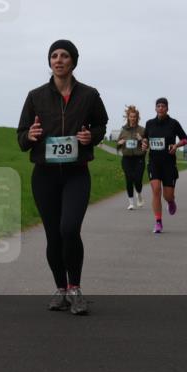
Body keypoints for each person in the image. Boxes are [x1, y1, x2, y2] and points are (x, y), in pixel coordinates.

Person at [17, 40, 108, 315]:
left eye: (64, 55)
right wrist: (29, 136)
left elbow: (101, 124)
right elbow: (21, 136)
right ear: (49, 62)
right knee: (53, 236)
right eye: (54, 56)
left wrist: (91, 136)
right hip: (44, 175)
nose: (58, 60)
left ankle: (75, 288)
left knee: (69, 229)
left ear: (73, 61)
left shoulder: (89, 95)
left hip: (76, 173)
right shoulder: (36, 96)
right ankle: (60, 288)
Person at [141, 98, 187, 235]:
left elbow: (185, 139)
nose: (160, 108)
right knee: (156, 190)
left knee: (168, 195)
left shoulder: (173, 123)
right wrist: (144, 144)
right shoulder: (149, 123)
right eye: (158, 106)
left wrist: (176, 145)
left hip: (168, 163)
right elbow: (145, 139)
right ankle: (158, 222)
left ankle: (171, 201)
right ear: (155, 109)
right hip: (154, 162)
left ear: (167, 109)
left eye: (163, 106)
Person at [115, 105, 146, 210]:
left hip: (139, 158)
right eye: (131, 116)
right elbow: (118, 145)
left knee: (138, 180)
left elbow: (147, 144)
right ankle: (131, 203)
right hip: (127, 159)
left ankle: (139, 194)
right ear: (128, 117)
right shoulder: (123, 130)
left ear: (137, 118)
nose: (133, 118)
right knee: (129, 179)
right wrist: (120, 142)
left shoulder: (142, 130)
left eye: (134, 117)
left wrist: (141, 139)